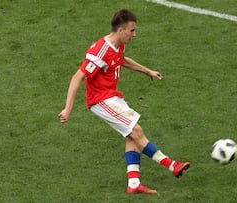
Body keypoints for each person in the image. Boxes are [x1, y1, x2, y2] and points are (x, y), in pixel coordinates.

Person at [58, 9, 190, 194]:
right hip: (100, 100)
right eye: (132, 30)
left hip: (112, 97)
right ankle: (172, 165)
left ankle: (134, 184)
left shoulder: (118, 44)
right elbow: (77, 77)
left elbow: (122, 61)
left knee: (131, 135)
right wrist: (68, 109)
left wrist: (147, 71)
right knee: (136, 130)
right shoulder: (100, 51)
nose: (134, 34)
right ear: (121, 31)